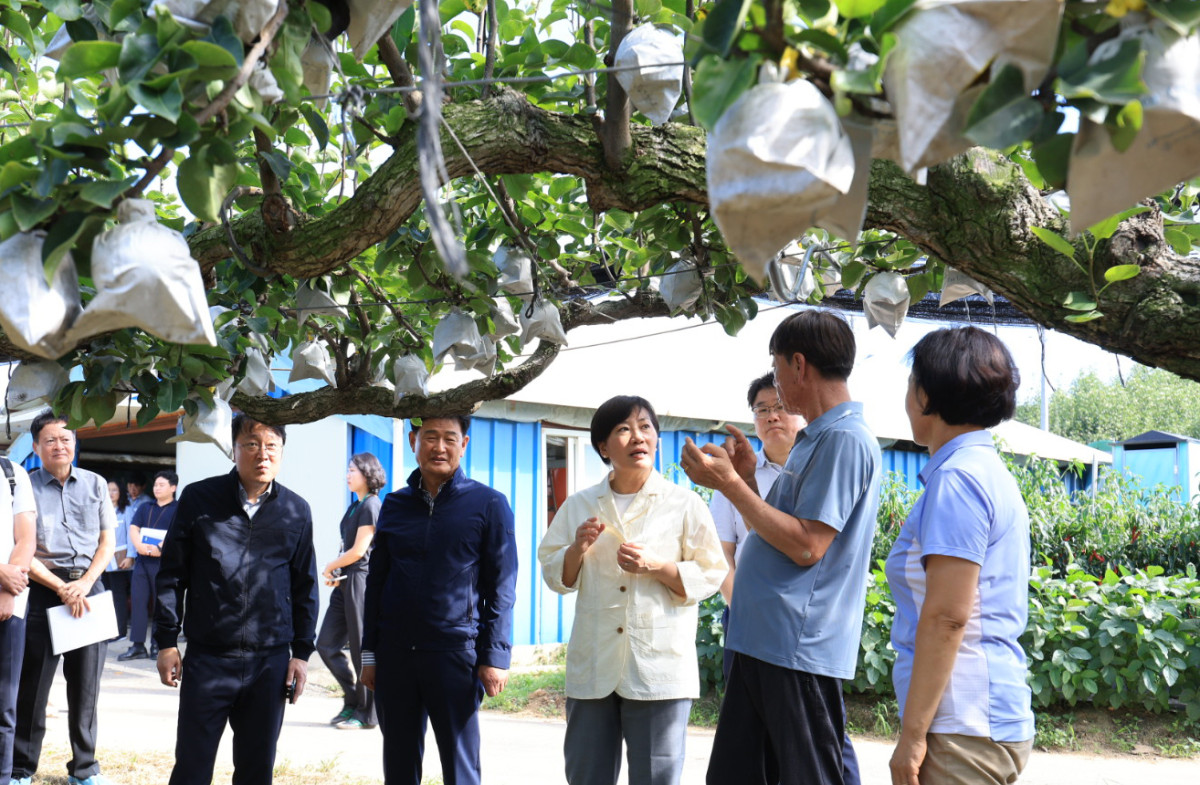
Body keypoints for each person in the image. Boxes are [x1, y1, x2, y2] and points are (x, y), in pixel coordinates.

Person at [682, 310, 882, 785]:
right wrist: (749, 480)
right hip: (763, 640)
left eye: (776, 370)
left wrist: (731, 485)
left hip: (795, 646)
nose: (775, 388)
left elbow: (808, 546)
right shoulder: (816, 437)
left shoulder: (844, 439)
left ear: (798, 365)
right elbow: (780, 531)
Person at [538, 395, 726, 785]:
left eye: (645, 427)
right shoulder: (580, 505)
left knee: (656, 777)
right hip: (594, 665)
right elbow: (555, 574)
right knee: (586, 776)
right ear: (604, 447)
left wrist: (657, 567)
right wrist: (576, 549)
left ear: (656, 439)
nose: (638, 437)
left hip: (659, 669)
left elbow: (711, 572)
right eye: (624, 429)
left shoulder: (684, 504)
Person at [886, 327, 1034, 785]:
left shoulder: (959, 480)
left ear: (926, 395)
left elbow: (948, 616)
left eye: (910, 384)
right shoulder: (981, 470)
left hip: (961, 724)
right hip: (977, 719)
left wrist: (913, 736)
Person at [708, 373, 864, 785]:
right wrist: (743, 605)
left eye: (779, 405)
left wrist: (735, 485)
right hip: (750, 624)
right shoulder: (747, 469)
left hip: (796, 631)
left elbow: (804, 547)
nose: (772, 416)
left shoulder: (827, 453)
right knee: (746, 759)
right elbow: (728, 553)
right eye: (762, 409)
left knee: (813, 752)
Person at [154, 414, 319, 785]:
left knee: (257, 770)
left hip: (269, 663)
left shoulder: (296, 510)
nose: (263, 454)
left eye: (272, 446)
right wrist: (166, 641)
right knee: (192, 767)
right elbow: (172, 574)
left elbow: (304, 586)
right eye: (252, 444)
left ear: (282, 452)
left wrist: (301, 653)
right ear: (233, 449)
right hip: (209, 657)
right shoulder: (199, 498)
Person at [360, 415, 518, 785]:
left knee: (461, 767)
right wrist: (370, 654)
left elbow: (502, 586)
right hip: (395, 656)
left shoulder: (488, 504)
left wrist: (494, 657)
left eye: (450, 438)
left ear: (464, 444)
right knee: (398, 765)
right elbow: (377, 582)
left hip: (454, 654)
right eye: (430, 437)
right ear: (413, 441)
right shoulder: (395, 505)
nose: (440, 447)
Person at [14, 410, 117, 785]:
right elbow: (20, 547)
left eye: (66, 439)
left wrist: (85, 583)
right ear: (36, 446)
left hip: (89, 590)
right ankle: (21, 769)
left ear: (75, 443)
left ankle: (85, 769)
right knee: (33, 686)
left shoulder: (95, 483)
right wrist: (60, 587)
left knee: (86, 687)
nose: (59, 445)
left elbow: (107, 541)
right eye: (51, 440)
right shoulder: (24, 487)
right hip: (43, 589)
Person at [316, 452, 385, 730]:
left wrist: (330, 566)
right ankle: (353, 699)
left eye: (352, 470)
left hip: (360, 581)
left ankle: (368, 713)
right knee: (326, 644)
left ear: (367, 474)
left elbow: (358, 551)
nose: (347, 475)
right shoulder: (354, 507)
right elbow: (346, 548)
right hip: (346, 579)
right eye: (347, 470)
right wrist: (336, 573)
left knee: (360, 649)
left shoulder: (371, 505)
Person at [0, 455, 36, 784]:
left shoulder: (12, 472)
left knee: (4, 706)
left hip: (9, 606)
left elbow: (26, 539)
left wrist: (8, 591)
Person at [118, 471, 178, 662]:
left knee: (161, 606)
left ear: (173, 487)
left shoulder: (178, 509)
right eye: (156, 485)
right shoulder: (146, 507)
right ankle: (137, 645)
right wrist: (139, 546)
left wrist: (160, 548)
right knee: (138, 602)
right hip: (142, 562)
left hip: (164, 563)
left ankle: (156, 645)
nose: (157, 488)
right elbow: (134, 527)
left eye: (162, 485)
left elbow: (178, 533)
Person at [102, 481, 133, 642]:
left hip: (120, 560)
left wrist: (130, 556)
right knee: (105, 595)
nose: (111, 493)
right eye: (108, 490)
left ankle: (120, 631)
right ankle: (107, 629)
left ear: (120, 492)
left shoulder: (126, 510)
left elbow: (131, 534)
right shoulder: (101, 509)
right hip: (102, 559)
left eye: (114, 490)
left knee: (118, 596)